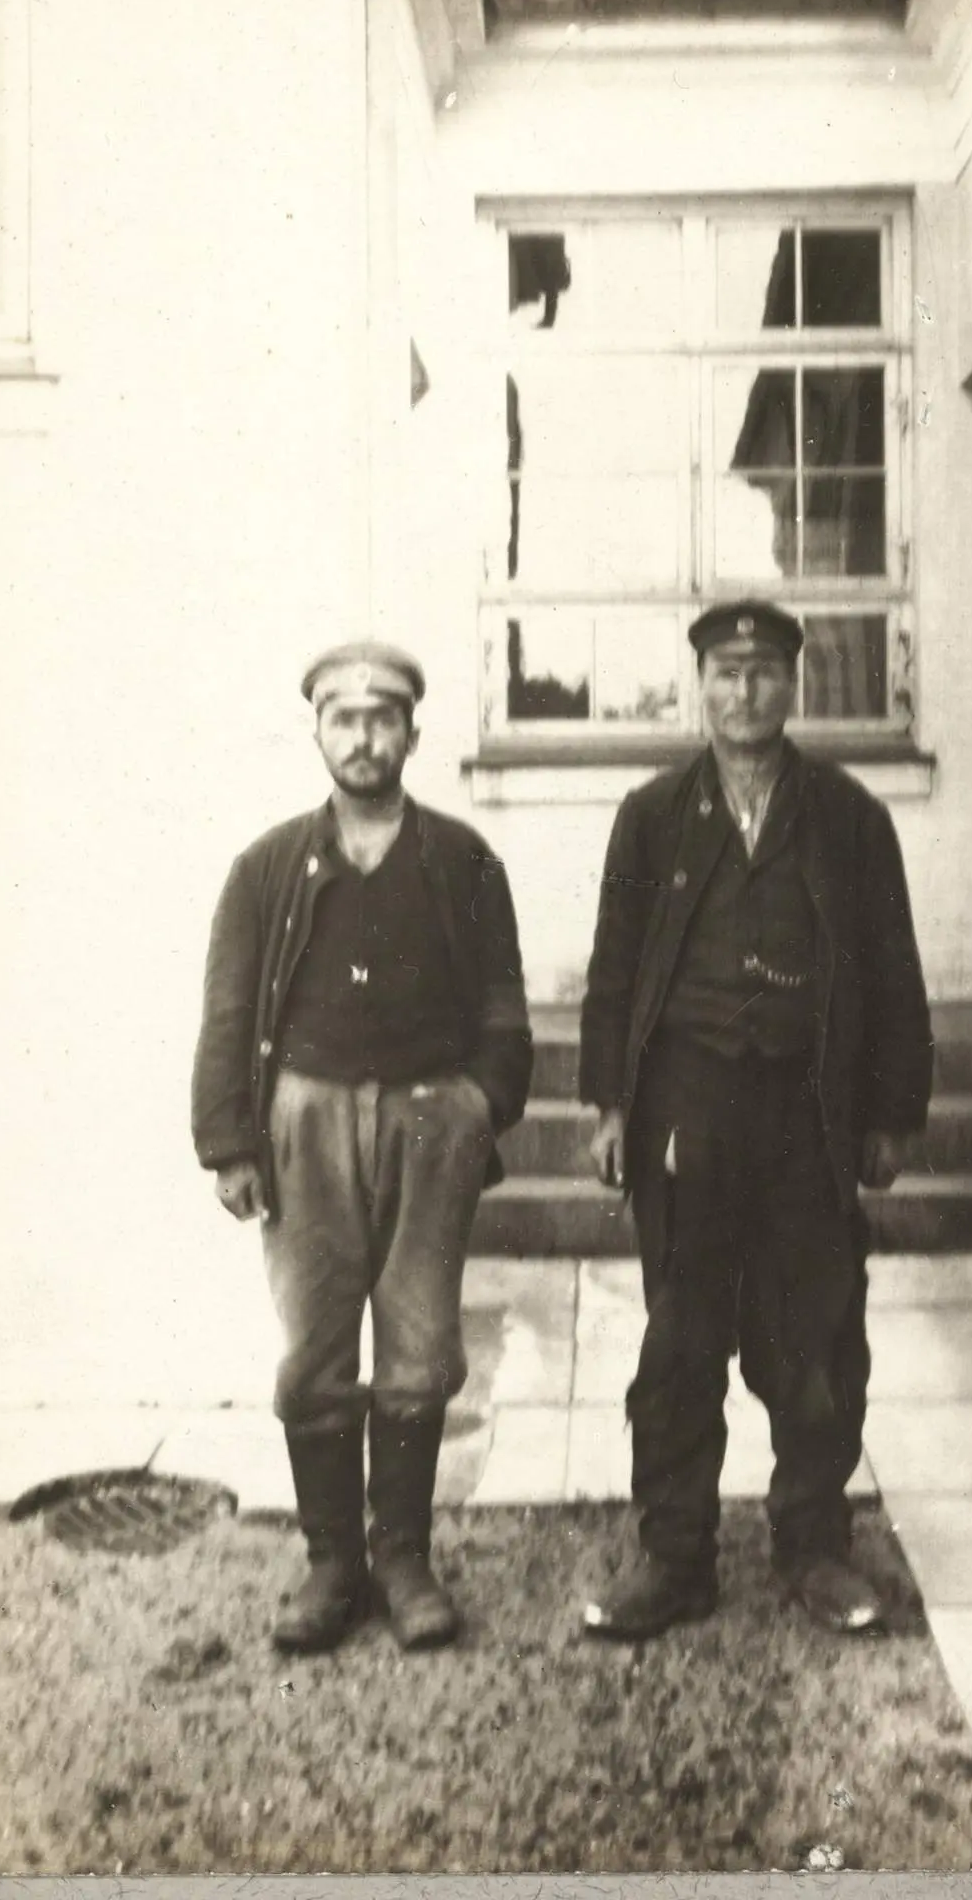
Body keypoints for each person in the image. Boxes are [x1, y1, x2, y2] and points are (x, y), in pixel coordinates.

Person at [578, 600, 932, 1642]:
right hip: (685, 1114)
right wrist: (609, 1105)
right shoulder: (651, 815)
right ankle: (674, 1555)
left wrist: (891, 1114)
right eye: (726, 673)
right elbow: (613, 970)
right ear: (700, 686)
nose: (745, 691)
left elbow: (894, 969)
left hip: (805, 1115)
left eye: (765, 671)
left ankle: (813, 1546)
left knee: (814, 1334)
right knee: (681, 1339)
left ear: (793, 684)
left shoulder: (848, 817)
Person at [192, 643, 532, 1656]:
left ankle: (405, 1560)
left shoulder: (462, 861)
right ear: (318, 732)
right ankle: (332, 1562)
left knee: (421, 1346)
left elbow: (504, 1005)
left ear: (412, 734)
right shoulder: (267, 868)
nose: (365, 737)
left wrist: (480, 1104)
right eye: (345, 719)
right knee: (314, 1351)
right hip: (304, 1127)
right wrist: (228, 1142)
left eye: (383, 719)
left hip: (430, 1124)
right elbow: (228, 1010)